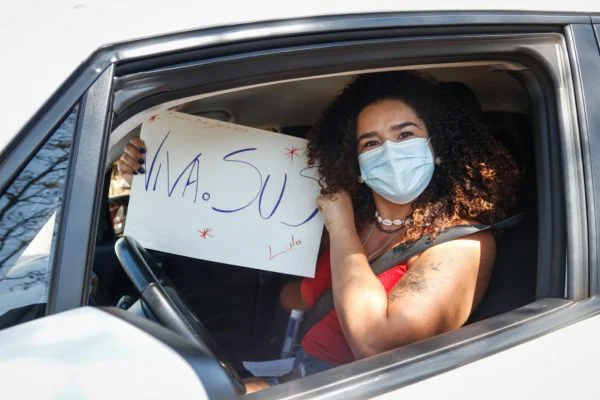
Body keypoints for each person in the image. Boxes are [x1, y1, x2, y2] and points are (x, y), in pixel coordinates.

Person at [118, 71, 520, 392]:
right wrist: (149, 172)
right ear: (355, 160)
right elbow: (290, 290)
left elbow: (376, 342)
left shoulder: (462, 244)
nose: (389, 152)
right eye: (370, 142)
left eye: (405, 134)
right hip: (300, 373)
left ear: (437, 147)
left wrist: (341, 225)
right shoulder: (355, 217)